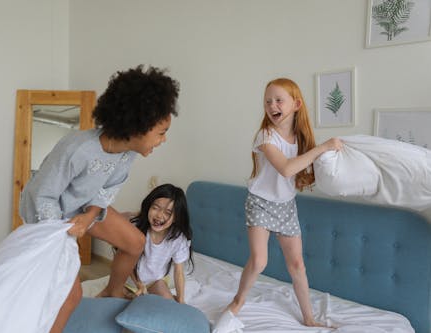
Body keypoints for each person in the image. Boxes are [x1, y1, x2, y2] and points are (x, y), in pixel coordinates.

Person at [18, 65, 180, 333]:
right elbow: (41, 195)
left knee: (135, 242)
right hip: (47, 216)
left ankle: (111, 292)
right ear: (137, 127)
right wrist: (64, 234)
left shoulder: (128, 153)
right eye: (160, 132)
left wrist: (89, 216)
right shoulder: (78, 148)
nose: (163, 140)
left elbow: (105, 192)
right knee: (70, 296)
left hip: (82, 208)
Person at [220, 78, 342, 328]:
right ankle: (237, 302)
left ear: (296, 104)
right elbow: (286, 169)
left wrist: (329, 151)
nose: (272, 105)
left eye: (278, 100)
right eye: (267, 101)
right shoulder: (265, 136)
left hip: (286, 206)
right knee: (259, 261)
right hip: (261, 202)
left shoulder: (301, 138)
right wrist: (323, 147)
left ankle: (308, 318)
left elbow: (305, 170)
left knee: (297, 265)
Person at [124, 183, 194, 303]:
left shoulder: (177, 238)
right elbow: (126, 262)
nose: (159, 215)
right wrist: (138, 285)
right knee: (126, 305)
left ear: (176, 217)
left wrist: (181, 301)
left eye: (168, 212)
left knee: (170, 308)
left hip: (156, 281)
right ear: (148, 207)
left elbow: (178, 272)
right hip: (130, 280)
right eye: (155, 208)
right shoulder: (136, 228)